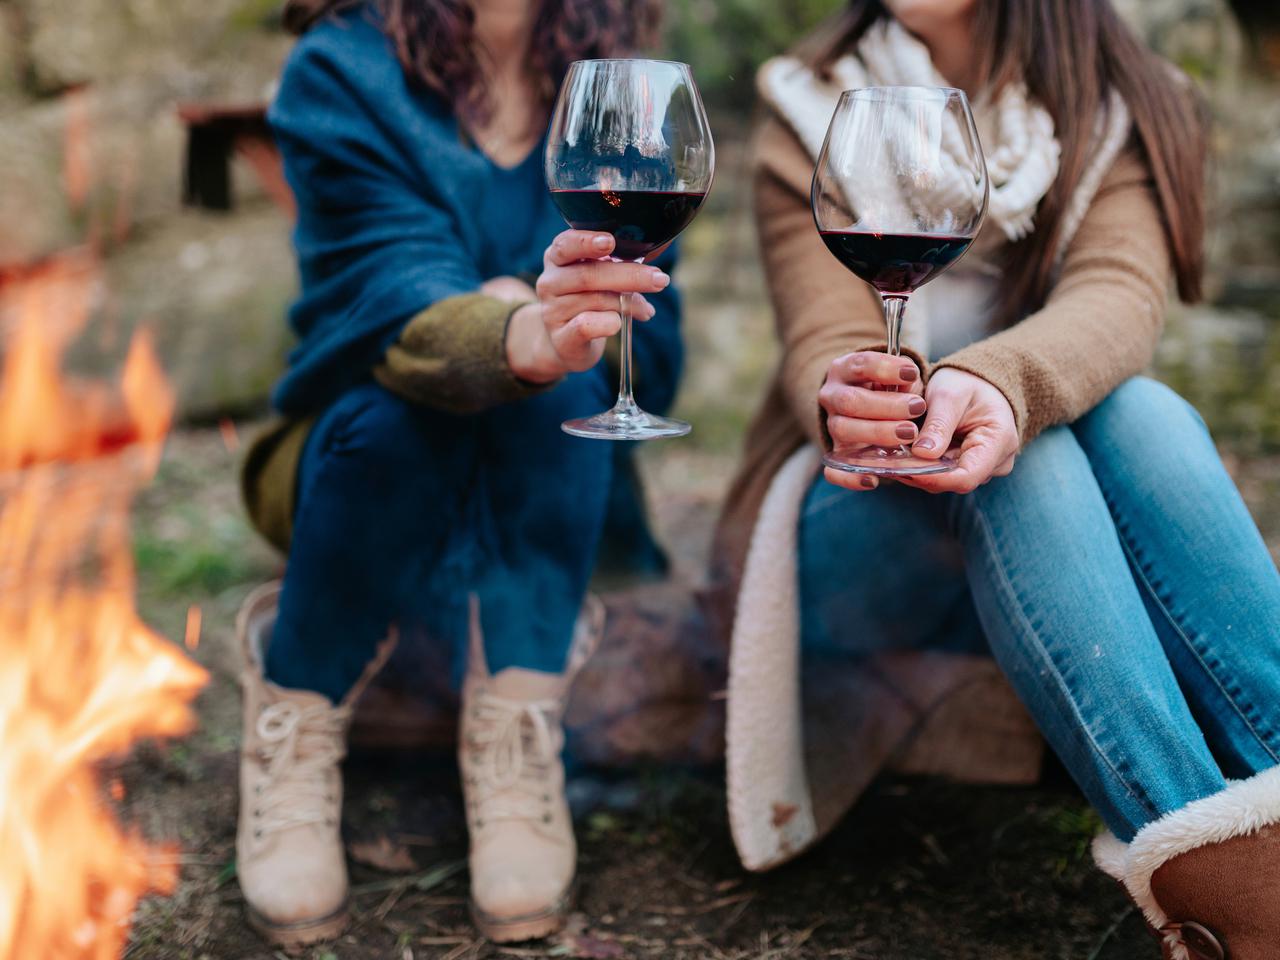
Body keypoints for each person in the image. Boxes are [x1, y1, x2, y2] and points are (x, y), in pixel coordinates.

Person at [712, 1, 1280, 957]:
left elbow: (1119, 298)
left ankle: (1249, 895)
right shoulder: (812, 103)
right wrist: (849, 392)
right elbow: (827, 333)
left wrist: (995, 387)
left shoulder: (1114, 104)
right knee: (1032, 456)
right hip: (860, 535)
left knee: (1137, 411)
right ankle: (1235, 901)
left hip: (1053, 561)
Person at [235, 0, 680, 947]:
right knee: (408, 408)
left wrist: (573, 343)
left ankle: (519, 729)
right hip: (368, 475)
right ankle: (296, 720)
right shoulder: (343, 72)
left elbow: (656, 336)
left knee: (566, 396)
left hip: (549, 483)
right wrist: (525, 330)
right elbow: (394, 295)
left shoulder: (616, 79)